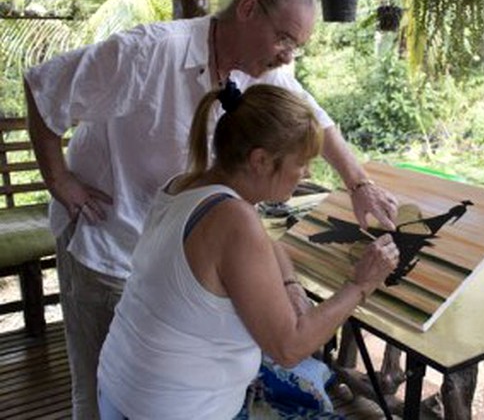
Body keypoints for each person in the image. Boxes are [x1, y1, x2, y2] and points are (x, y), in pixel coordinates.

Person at [23, 0, 398, 419]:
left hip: (170, 251)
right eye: (284, 38)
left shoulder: (257, 78)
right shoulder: (150, 51)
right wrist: (59, 180)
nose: (287, 55)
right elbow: (44, 87)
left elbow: (312, 120)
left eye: (296, 46)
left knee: (134, 373)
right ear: (247, 10)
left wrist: (359, 183)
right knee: (96, 379)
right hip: (107, 238)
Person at [96, 83, 398, 419]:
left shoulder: (186, 185)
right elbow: (289, 347)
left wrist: (290, 284)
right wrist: (360, 285)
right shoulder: (233, 218)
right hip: (173, 407)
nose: (307, 173)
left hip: (120, 390)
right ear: (261, 160)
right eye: (302, 162)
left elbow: (267, 247)